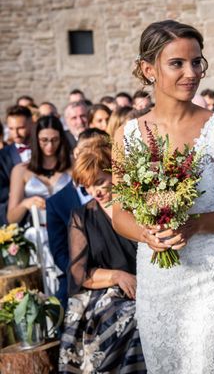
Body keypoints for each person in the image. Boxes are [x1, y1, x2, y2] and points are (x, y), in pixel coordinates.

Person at [112, 19, 214, 373]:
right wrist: (146, 233)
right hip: (158, 283)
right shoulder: (127, 135)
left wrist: (195, 225)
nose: (190, 73)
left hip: (212, 279)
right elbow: (119, 214)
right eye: (177, 63)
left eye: (197, 62)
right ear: (149, 70)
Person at [59, 142, 145, 373]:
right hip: (108, 295)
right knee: (136, 318)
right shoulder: (82, 217)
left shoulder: (139, 205)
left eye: (99, 182)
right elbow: (80, 275)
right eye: (87, 187)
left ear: (114, 173)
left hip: (153, 284)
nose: (94, 192)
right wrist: (117, 276)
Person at [47, 128, 109, 308]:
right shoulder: (56, 203)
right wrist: (96, 274)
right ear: (76, 153)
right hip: (85, 276)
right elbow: (60, 254)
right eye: (86, 151)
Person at [7, 115, 72, 225]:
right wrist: (26, 203)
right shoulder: (20, 170)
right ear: (36, 140)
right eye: (44, 140)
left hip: (70, 228)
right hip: (39, 232)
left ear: (62, 139)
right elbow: (11, 218)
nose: (50, 145)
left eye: (55, 140)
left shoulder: (73, 164)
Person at [0, 105, 33, 224]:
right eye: (11, 128)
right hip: (17, 222)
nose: (16, 133)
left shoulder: (46, 151)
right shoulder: (2, 156)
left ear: (31, 123)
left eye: (20, 128)